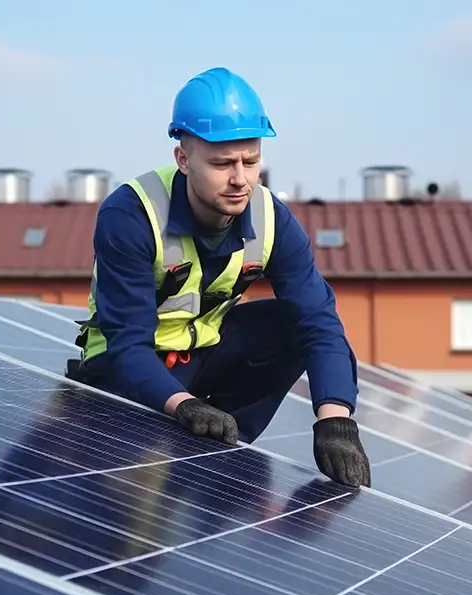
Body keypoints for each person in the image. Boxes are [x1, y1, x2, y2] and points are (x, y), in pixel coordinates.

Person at [66, 66, 371, 488]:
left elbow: (318, 323)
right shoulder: (131, 216)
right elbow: (127, 345)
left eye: (251, 161)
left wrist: (336, 418)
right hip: (128, 368)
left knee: (289, 324)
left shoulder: (272, 219)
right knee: (132, 490)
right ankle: (185, 428)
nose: (240, 179)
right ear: (184, 159)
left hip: (201, 354)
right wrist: (184, 405)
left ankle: (224, 447)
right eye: (222, 163)